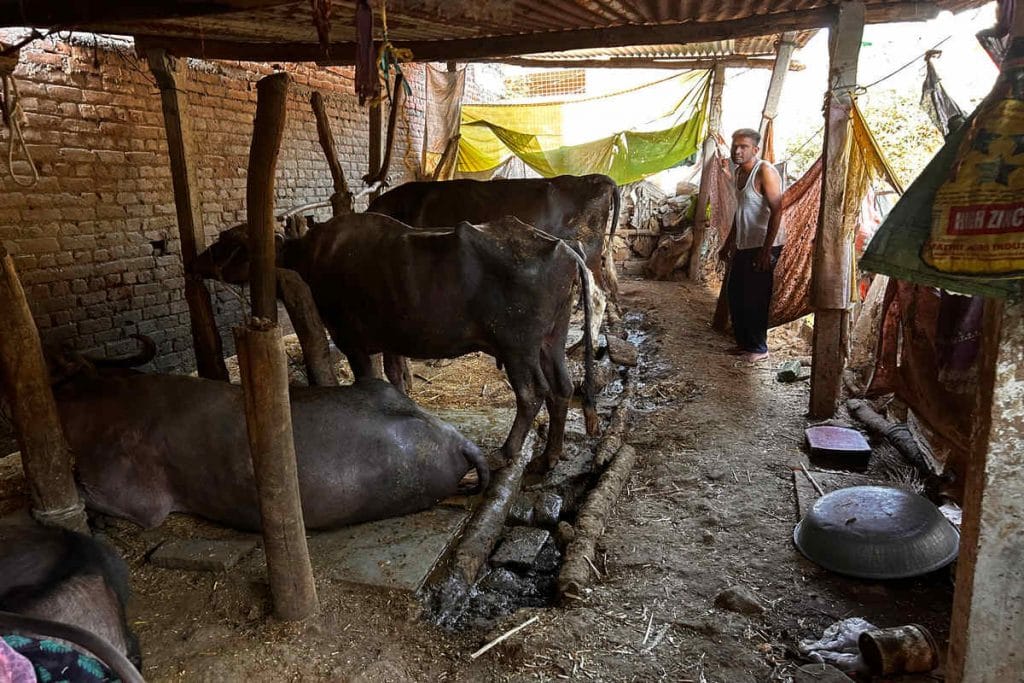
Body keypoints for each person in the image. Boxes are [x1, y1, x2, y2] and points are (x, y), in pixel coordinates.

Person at [718, 128, 785, 362]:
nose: (737, 150)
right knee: (736, 293)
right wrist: (728, 244)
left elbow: (778, 210)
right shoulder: (738, 174)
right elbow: (741, 213)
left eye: (743, 147)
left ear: (755, 150)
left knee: (755, 297)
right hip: (745, 244)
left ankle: (759, 348)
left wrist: (767, 250)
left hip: (765, 244)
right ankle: (744, 344)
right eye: (735, 146)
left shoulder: (764, 171)